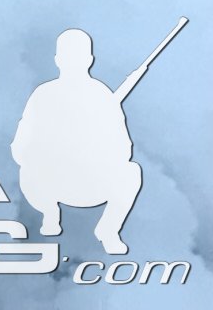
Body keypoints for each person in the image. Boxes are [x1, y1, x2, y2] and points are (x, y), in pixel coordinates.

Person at [16, 29, 146, 255]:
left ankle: (108, 230)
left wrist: (91, 148)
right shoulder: (44, 95)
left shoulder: (102, 96)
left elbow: (123, 149)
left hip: (90, 184)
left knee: (131, 172)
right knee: (28, 170)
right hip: (50, 181)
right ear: (89, 60)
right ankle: (50, 213)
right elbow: (21, 147)